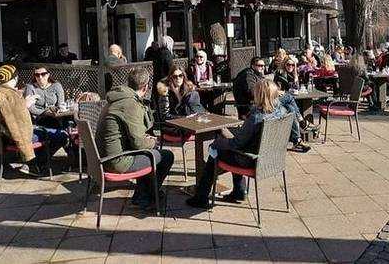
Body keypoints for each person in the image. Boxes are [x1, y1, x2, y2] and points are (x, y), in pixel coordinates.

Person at [186, 80, 308, 209]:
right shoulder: (283, 111)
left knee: (215, 151)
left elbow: (237, 144)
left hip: (250, 160)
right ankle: (238, 192)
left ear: (259, 95)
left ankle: (201, 198)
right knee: (227, 140)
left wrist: (218, 143)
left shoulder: (257, 116)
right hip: (272, 159)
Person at [95, 68, 174, 210]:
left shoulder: (116, 99)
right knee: (165, 156)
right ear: (145, 87)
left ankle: (142, 195)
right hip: (116, 162)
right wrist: (152, 140)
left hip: (102, 159)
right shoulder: (130, 104)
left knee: (148, 152)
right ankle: (148, 197)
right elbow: (138, 143)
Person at [0, 65, 67, 176]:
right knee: (63, 135)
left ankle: (34, 164)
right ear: (15, 78)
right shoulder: (12, 96)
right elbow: (19, 124)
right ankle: (35, 164)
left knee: (47, 130)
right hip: (17, 137)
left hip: (1, 137)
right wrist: (25, 104)